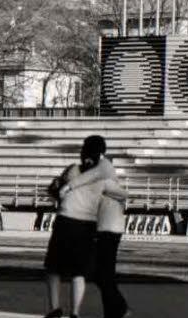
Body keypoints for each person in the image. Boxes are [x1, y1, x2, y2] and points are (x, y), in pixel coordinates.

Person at [43, 135, 125, 318]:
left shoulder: (73, 169)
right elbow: (117, 193)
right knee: (78, 272)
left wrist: (59, 189)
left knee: (53, 268)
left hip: (66, 220)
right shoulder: (103, 176)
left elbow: (56, 191)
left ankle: (54, 309)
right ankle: (75, 312)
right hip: (87, 224)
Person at [64, 151, 130, 318]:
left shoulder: (101, 181)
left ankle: (120, 309)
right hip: (107, 229)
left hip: (107, 230)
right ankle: (115, 311)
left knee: (100, 273)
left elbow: (123, 194)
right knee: (103, 274)